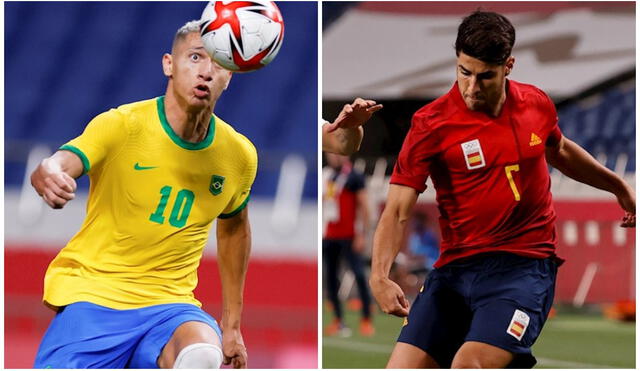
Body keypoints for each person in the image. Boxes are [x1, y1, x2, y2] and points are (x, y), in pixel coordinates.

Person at [369, 11, 635, 369]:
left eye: (484, 76)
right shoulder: (430, 125)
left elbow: (560, 151)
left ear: (508, 65)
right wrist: (379, 275)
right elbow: (398, 209)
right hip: (455, 269)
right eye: (464, 72)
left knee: (470, 363)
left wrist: (618, 186)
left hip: (523, 267)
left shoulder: (536, 104)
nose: (472, 87)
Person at [30, 20, 256, 369]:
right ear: (169, 64)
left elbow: (235, 228)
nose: (207, 71)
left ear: (230, 77)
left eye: (219, 63)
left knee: (201, 355)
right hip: (96, 295)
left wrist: (232, 325)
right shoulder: (123, 125)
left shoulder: (239, 155)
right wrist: (50, 170)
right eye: (195, 57)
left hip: (170, 305)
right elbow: (66, 160)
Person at [323, 152, 374, 336]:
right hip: (329, 235)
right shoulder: (327, 175)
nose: (333, 157)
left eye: (337, 154)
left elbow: (364, 206)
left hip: (350, 235)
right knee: (331, 279)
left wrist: (362, 234)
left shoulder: (354, 177)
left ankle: (366, 319)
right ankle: (338, 320)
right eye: (330, 154)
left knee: (359, 275)